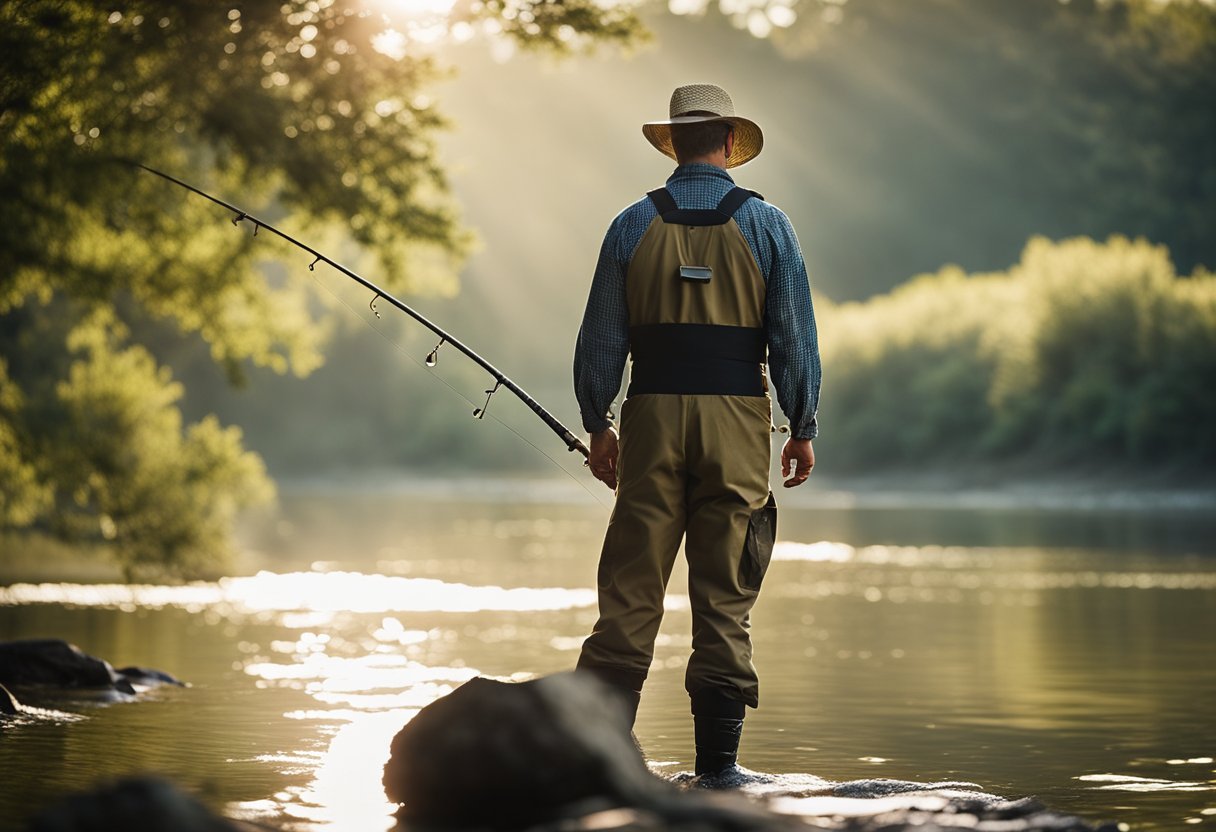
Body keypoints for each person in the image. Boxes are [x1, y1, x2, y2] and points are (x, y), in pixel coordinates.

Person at [573, 83, 822, 777]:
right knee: (725, 595)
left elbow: (601, 342)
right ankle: (717, 771)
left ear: (674, 145)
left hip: (649, 414)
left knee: (630, 592)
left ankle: (605, 765)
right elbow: (793, 338)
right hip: (739, 418)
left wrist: (598, 423)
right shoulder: (770, 225)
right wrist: (801, 424)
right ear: (731, 144)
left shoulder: (629, 224)